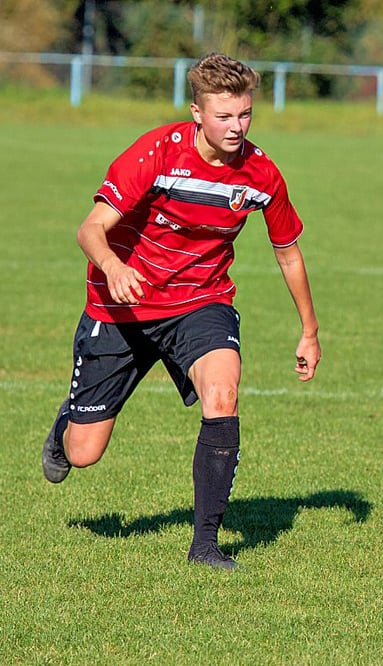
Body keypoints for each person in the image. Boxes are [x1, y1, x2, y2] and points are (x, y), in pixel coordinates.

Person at [41, 52, 322, 571]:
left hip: (201, 301)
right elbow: (90, 229)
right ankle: (66, 424)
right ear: (197, 112)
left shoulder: (261, 173)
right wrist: (113, 267)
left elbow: (288, 252)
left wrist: (310, 329)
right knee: (83, 453)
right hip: (122, 305)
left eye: (245, 114)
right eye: (224, 116)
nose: (236, 127)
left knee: (223, 393)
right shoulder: (157, 152)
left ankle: (205, 547)